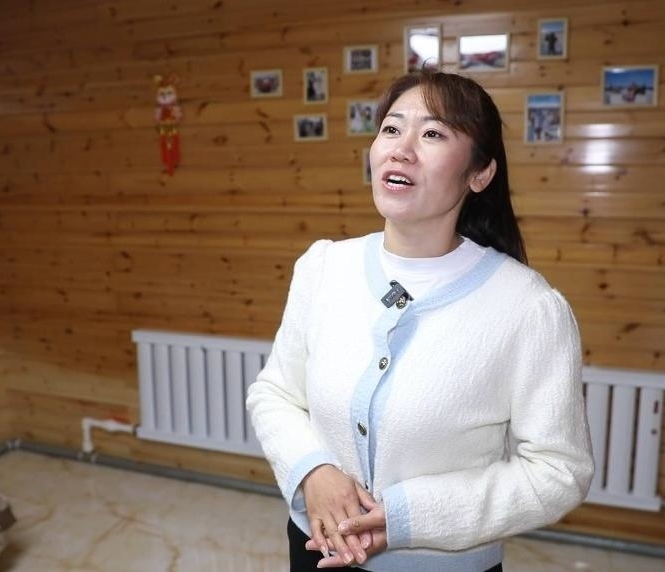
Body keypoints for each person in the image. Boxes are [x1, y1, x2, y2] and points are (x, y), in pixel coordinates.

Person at [246, 70, 593, 572]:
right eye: (391, 128)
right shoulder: (323, 267)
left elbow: (559, 471)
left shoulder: (529, 308)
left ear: (480, 174)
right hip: (313, 548)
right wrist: (312, 471)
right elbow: (274, 393)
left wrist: (408, 518)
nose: (401, 149)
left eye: (432, 133)